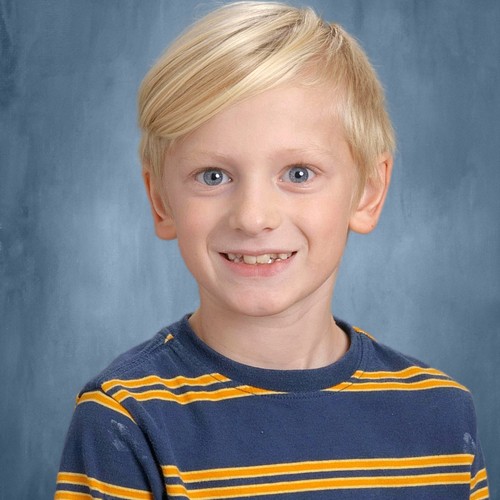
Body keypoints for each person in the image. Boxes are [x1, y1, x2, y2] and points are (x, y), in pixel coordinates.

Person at [55, 2, 489, 499]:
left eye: (298, 173)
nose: (253, 216)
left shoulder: (442, 416)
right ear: (161, 201)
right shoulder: (125, 419)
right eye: (213, 176)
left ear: (368, 192)